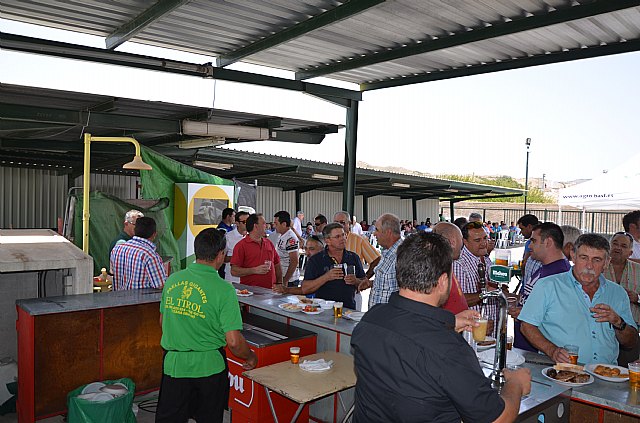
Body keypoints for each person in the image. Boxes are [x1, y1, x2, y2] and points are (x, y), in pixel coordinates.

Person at [351, 232, 531, 423]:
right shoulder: (449, 349)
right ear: (443, 281)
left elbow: (408, 335)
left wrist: (450, 323)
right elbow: (497, 419)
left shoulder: (372, 319)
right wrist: (516, 384)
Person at [156, 228, 257, 422]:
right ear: (221, 255)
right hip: (210, 368)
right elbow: (234, 341)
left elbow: (163, 321)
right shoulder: (224, 289)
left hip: (174, 365)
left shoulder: (173, 280)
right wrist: (250, 357)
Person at [519, 234, 637, 364]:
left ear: (607, 262)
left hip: (605, 372)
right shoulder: (548, 286)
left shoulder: (618, 293)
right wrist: (552, 350)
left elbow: (631, 342)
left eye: (597, 260)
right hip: (560, 370)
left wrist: (618, 322)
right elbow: (526, 326)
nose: (589, 266)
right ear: (573, 256)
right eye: (584, 258)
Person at [510, 222, 571, 351]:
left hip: (541, 351)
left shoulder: (561, 273)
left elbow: (563, 317)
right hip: (526, 346)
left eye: (534, 241)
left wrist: (526, 314)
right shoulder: (544, 267)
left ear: (548, 242)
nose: (529, 246)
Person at [301, 223, 367, 310]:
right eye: (337, 237)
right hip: (323, 310)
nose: (342, 239)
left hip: (348, 310)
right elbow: (305, 289)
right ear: (327, 241)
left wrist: (356, 281)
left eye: (343, 235)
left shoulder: (353, 257)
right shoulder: (316, 260)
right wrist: (326, 277)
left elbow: (364, 283)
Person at [453, 221, 497, 336]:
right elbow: (459, 300)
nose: (483, 243)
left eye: (485, 238)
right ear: (465, 242)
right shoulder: (460, 264)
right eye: (477, 240)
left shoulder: (485, 259)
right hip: (472, 332)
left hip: (491, 330)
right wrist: (485, 293)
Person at [110, 216, 166, 290]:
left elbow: (112, 272)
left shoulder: (117, 249)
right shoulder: (149, 256)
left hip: (117, 296)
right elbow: (161, 285)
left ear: (135, 230)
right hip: (140, 297)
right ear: (154, 234)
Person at [230, 213, 282, 288]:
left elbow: (277, 264)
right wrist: (254, 270)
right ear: (256, 226)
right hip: (250, 292)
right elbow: (234, 271)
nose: (266, 226)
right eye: (264, 223)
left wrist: (279, 283)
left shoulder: (268, 243)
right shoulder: (241, 246)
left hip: (271, 291)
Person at [362, 213, 402, 307]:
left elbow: (406, 290)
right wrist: (372, 283)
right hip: (378, 314)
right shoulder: (388, 251)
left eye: (377, 230)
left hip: (389, 314)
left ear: (388, 232)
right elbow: (391, 284)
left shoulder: (402, 255)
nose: (374, 233)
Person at [433, 222, 470, 314]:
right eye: (461, 239)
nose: (462, 244)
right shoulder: (438, 270)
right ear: (452, 242)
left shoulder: (446, 265)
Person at [604, 231, 640, 326]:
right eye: (615, 244)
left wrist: (637, 298)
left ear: (630, 253)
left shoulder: (638, 270)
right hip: (602, 323)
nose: (618, 248)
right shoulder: (598, 266)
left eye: (624, 246)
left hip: (632, 325)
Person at [334, 211, 381, 280]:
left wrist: (364, 279)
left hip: (352, 285)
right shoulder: (328, 240)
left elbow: (376, 260)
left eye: (342, 222)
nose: (338, 225)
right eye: (336, 223)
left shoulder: (359, 240)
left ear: (349, 223)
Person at [273, 211, 300, 287]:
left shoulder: (290, 238)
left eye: (276, 224)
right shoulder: (282, 235)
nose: (274, 226)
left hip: (289, 280)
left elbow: (294, 261)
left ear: (284, 224)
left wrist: (285, 280)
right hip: (282, 276)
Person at [223, 211, 249, 284]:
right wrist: (237, 257)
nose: (248, 224)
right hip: (232, 279)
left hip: (248, 277)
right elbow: (222, 258)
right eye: (245, 222)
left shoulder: (252, 236)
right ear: (237, 223)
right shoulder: (228, 237)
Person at [518, 214, 542, 286]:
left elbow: (524, 264)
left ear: (529, 227)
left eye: (522, 229)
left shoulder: (529, 243)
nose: (521, 232)